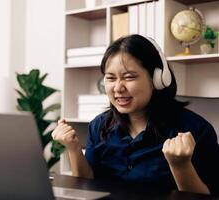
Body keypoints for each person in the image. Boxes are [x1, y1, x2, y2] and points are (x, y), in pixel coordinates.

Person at [52, 34, 219, 195]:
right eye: (110, 78)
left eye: (129, 77)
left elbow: (208, 196)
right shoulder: (99, 126)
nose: (118, 88)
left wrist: (181, 165)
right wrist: (73, 149)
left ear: (157, 79)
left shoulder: (196, 130)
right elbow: (87, 184)